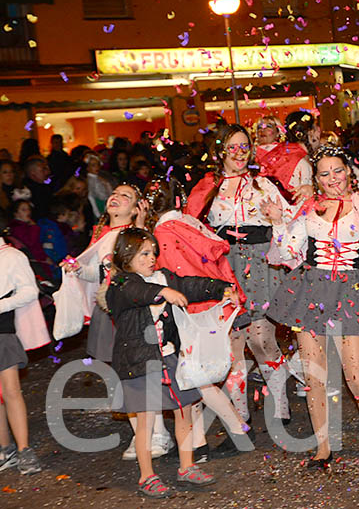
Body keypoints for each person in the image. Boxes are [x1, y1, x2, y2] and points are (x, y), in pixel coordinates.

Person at [262, 143, 359, 467]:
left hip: (348, 293)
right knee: (315, 376)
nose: (332, 178)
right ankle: (323, 447)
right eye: (324, 174)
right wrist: (280, 222)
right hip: (309, 291)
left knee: (357, 376)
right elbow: (289, 252)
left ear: (348, 171)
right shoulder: (309, 207)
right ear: (317, 179)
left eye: (337, 170)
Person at [104, 228, 234, 498]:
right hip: (139, 359)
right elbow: (138, 292)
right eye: (145, 253)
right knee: (146, 419)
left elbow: (189, 285)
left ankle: (186, 466)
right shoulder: (120, 285)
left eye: (153, 253)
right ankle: (147, 475)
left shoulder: (163, 278)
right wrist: (164, 292)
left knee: (184, 408)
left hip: (168, 355)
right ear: (126, 255)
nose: (152, 258)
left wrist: (220, 288)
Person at [185, 124, 296, 425]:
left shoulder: (264, 185)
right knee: (232, 343)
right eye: (232, 147)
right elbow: (190, 228)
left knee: (261, 339)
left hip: (259, 264)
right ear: (220, 151)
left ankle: (280, 404)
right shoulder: (207, 187)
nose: (238, 153)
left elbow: (290, 220)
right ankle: (239, 415)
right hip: (224, 267)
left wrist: (282, 218)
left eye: (244, 146)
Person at [60, 183, 175, 459]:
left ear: (136, 208)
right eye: (114, 193)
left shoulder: (135, 237)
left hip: (131, 308)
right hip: (108, 308)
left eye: (126, 196)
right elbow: (99, 273)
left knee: (143, 370)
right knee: (123, 373)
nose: (116, 197)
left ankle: (158, 433)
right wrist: (78, 269)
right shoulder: (103, 235)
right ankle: (140, 436)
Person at [144, 177, 254, 459]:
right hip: (211, 303)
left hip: (194, 308)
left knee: (194, 376)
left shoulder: (163, 234)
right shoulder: (187, 223)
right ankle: (197, 443)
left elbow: (172, 278)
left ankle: (238, 432)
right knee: (191, 376)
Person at [0, 234, 48, 475]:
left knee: (10, 390)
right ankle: (5, 448)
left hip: (2, 330)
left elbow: (30, 291)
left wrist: (1, 305)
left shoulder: (11, 256)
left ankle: (24, 449)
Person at [251, 115, 307, 197]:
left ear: (278, 132)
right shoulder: (250, 155)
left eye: (268, 127)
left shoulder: (291, 151)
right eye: (259, 127)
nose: (262, 130)